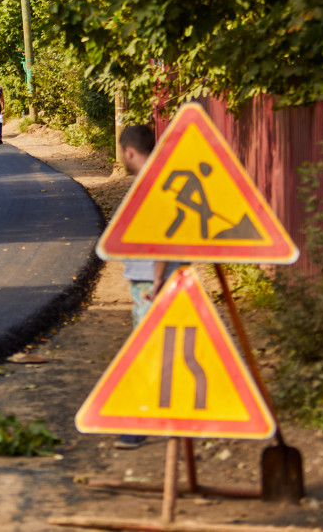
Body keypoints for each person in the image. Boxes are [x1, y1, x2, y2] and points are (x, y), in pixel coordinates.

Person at [115, 123, 183, 449]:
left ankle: (140, 423)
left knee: (144, 348)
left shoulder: (150, 182)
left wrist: (157, 278)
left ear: (129, 151)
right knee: (164, 347)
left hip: (152, 279)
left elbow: (161, 235)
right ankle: (172, 415)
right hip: (159, 276)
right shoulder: (165, 176)